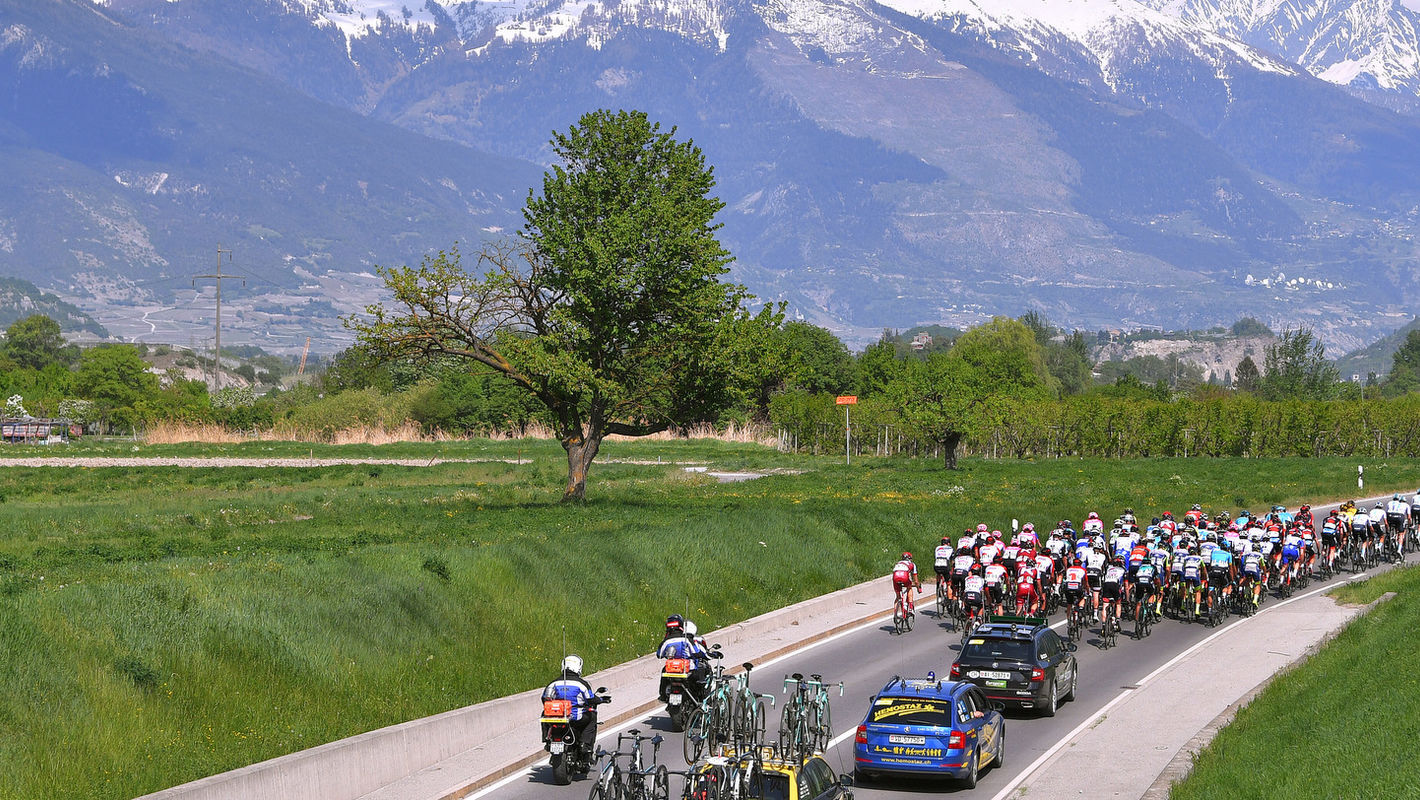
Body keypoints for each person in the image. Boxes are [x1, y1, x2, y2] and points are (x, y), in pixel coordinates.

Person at [543, 655, 602, 760]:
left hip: (557, 717)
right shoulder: (582, 684)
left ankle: (546, 738)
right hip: (576, 717)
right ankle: (585, 743)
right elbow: (590, 699)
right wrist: (601, 700)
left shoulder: (553, 683)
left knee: (544, 714)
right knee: (592, 716)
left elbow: (545, 698)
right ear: (578, 667)